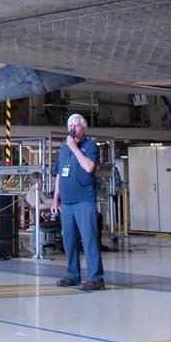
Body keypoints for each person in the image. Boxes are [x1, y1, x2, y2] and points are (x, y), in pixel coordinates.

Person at [50, 113, 104, 290]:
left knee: (89, 239)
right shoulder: (64, 149)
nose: (73, 129)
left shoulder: (90, 146)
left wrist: (74, 147)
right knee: (69, 240)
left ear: (83, 128)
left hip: (84, 201)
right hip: (67, 203)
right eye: (70, 126)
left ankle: (96, 279)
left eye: (76, 126)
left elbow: (89, 167)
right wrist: (55, 199)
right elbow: (59, 174)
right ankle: (73, 275)